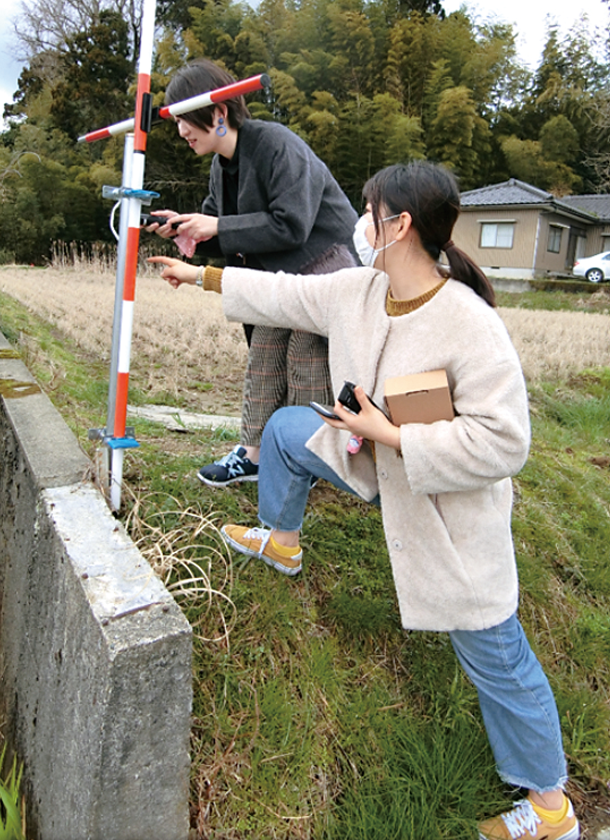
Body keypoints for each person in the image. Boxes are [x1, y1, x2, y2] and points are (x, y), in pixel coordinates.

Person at [149, 160, 579, 840]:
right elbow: (282, 294)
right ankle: (280, 539)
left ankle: (553, 808)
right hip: (369, 467)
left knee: (495, 654)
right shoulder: (357, 288)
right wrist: (199, 275)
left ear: (399, 225)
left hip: (447, 515)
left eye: (369, 208)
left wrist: (389, 431)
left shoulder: (470, 324)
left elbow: (504, 444)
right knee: (290, 431)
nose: (359, 220)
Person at [146, 58, 357, 487]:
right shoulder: (220, 167)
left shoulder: (277, 143)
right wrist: (184, 232)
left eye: (187, 120)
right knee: (263, 350)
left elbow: (292, 223)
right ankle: (256, 453)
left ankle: (308, 458)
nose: (182, 131)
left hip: (326, 271)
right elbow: (224, 235)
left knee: (305, 356)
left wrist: (218, 226)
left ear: (218, 113)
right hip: (278, 280)